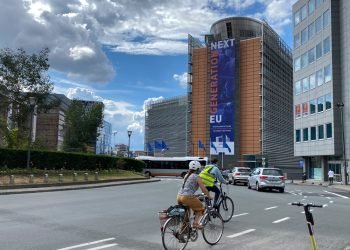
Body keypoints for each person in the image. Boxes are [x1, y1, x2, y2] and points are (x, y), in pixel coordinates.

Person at [177, 160, 212, 229]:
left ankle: (183, 233)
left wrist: (194, 195)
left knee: (186, 217)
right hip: (187, 197)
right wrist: (209, 196)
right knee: (200, 209)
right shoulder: (196, 176)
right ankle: (195, 224)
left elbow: (187, 187)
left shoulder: (186, 175)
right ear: (198, 169)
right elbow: (203, 189)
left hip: (179, 196)